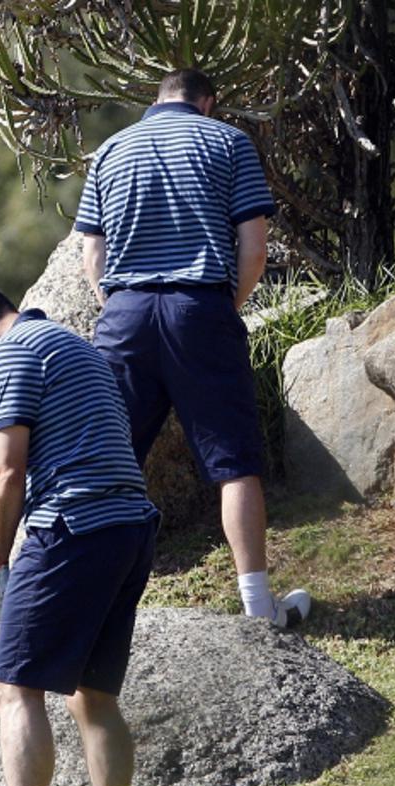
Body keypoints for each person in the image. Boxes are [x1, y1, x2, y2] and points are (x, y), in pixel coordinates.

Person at [73, 67, 308, 628]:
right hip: (199, 306)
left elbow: (92, 251)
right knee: (234, 464)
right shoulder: (227, 141)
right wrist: (227, 305)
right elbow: (254, 246)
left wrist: (116, 304)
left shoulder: (111, 149)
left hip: (124, 313)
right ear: (208, 103)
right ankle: (257, 608)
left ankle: (82, 600)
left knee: (103, 461)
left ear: (157, 100)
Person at [0, 280, 159, 786]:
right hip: (130, 528)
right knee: (93, 695)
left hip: (73, 525)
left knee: (11, 687)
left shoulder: (11, 352)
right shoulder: (72, 345)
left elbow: (5, 472)